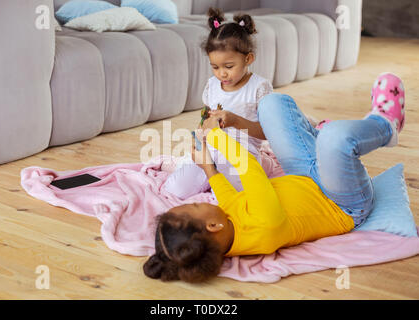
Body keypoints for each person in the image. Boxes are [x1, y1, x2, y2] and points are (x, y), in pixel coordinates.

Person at [143, 71, 406, 283]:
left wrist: (208, 167)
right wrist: (214, 136)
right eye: (199, 205)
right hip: (343, 201)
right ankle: (386, 125)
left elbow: (226, 196)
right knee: (335, 138)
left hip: (304, 177)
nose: (206, 201)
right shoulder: (264, 228)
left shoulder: (225, 228)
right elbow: (248, 167)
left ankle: (318, 140)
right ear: (212, 227)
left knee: (271, 104)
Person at [162, 8, 317, 199]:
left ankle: (263, 166)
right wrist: (199, 142)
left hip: (242, 156)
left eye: (229, 67)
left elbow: (268, 133)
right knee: (174, 190)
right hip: (211, 150)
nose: (222, 74)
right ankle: (186, 165)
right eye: (215, 67)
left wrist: (235, 121)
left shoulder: (259, 87)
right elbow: (205, 117)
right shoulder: (212, 85)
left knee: (233, 199)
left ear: (248, 59)